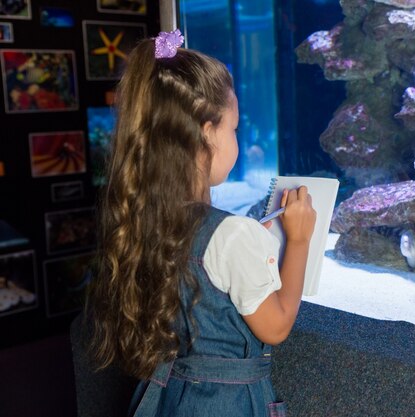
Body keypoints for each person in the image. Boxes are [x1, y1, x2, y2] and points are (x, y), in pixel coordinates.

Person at [85, 29, 316, 417]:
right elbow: (275, 327)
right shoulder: (230, 235)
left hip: (169, 397)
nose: (237, 140)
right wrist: (299, 240)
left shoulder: (141, 216)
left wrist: (249, 246)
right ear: (207, 133)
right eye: (234, 128)